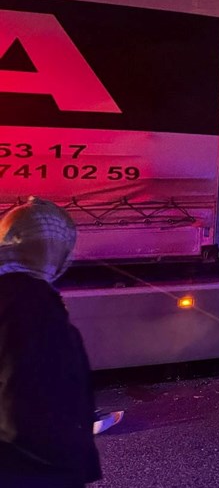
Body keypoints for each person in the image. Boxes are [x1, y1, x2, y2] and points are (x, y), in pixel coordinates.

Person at [0, 197, 102, 487]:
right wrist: (63, 472)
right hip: (31, 472)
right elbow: (26, 404)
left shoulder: (13, 291)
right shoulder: (28, 299)